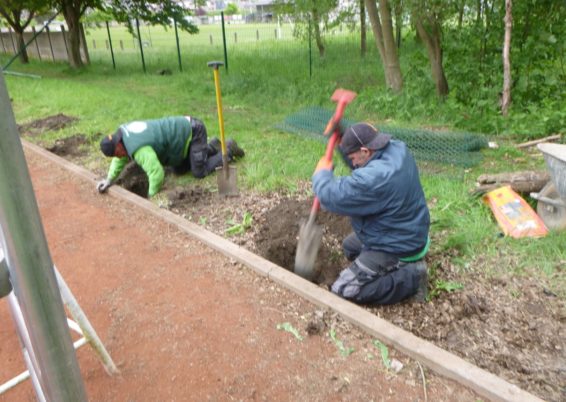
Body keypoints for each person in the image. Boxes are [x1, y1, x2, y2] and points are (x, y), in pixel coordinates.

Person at [312, 122, 430, 305]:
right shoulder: (397, 149)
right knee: (350, 247)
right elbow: (362, 162)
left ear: (366, 151)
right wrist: (343, 139)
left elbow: (332, 196)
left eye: (353, 158)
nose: (352, 163)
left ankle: (412, 277)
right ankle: (380, 269)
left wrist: (322, 175)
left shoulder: (376, 179)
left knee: (344, 289)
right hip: (407, 227)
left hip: (399, 244)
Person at [96, 116, 244, 197]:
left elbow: (157, 173)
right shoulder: (122, 135)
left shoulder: (139, 149)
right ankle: (212, 146)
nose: (120, 156)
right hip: (181, 141)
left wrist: (151, 195)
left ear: (118, 145)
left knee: (199, 171)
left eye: (117, 153)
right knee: (179, 170)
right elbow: (119, 158)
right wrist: (109, 179)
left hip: (194, 131)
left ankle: (229, 149)